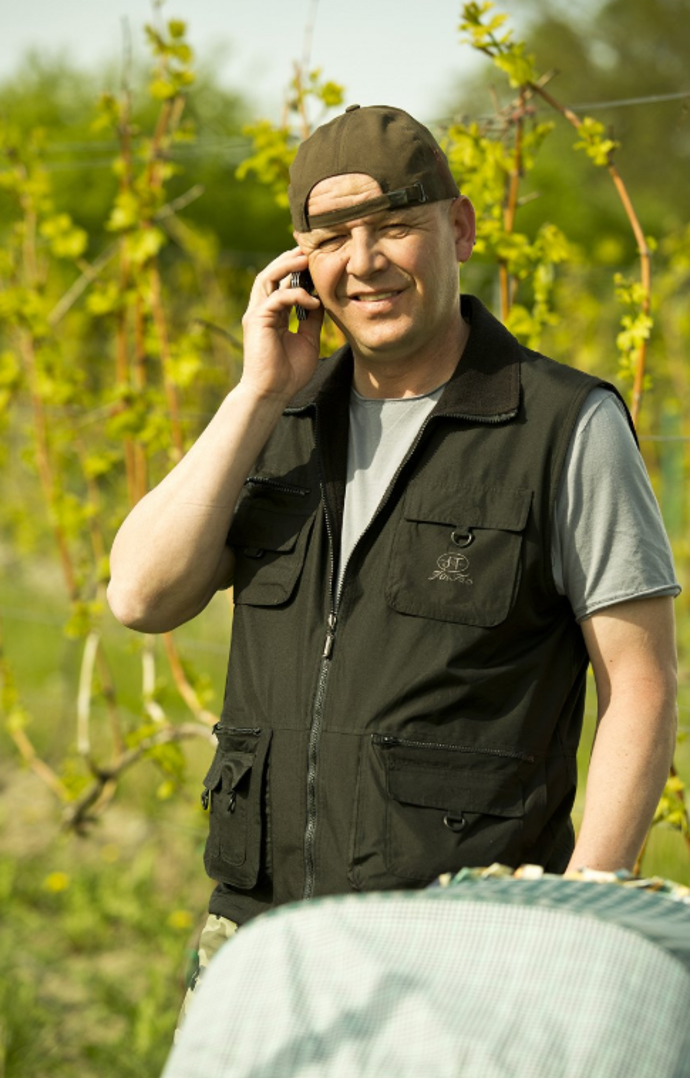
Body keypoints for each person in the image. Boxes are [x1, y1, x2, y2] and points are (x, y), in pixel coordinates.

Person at [107, 105, 679, 1001]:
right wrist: (257, 393)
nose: (364, 262)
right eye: (332, 238)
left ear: (457, 227)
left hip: (468, 947)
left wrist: (580, 918)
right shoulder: (276, 421)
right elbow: (141, 595)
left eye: (396, 228)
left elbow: (640, 688)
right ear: (299, 260)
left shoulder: (565, 424)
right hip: (258, 939)